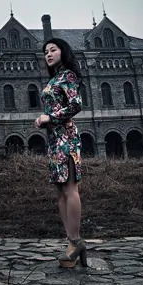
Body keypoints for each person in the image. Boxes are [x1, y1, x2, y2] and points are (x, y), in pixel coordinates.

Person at [36, 36, 88, 268]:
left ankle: (75, 241)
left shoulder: (67, 75)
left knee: (70, 188)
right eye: (45, 51)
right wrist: (43, 120)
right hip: (54, 139)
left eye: (53, 50)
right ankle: (71, 242)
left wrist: (51, 117)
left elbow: (76, 104)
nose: (48, 54)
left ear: (62, 52)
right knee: (59, 191)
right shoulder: (55, 78)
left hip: (66, 136)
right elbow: (57, 106)